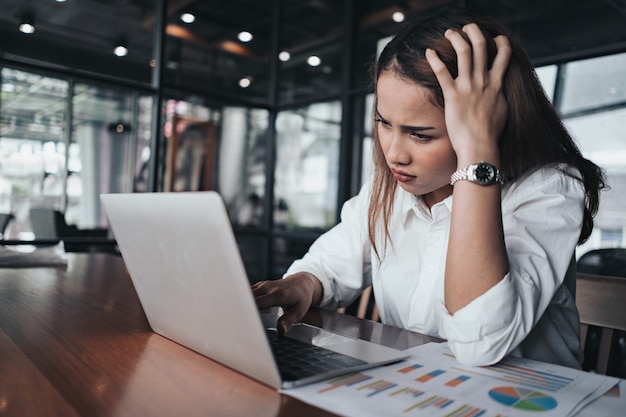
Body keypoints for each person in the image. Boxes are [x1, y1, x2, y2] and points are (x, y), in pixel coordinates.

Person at [252, 7, 606, 369]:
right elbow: (330, 264)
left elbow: (478, 342)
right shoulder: (390, 186)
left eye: (420, 135)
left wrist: (478, 155)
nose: (393, 154)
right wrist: (305, 283)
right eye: (384, 123)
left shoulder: (548, 188)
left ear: (489, 124)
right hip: (417, 390)